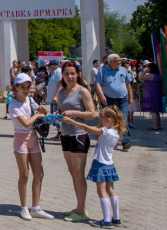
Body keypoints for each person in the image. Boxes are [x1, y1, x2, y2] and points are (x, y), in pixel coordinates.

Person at [62, 106, 127, 228]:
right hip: (110, 164)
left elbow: (87, 128)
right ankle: (116, 218)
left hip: (100, 163)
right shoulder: (116, 133)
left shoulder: (106, 131)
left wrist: (71, 121)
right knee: (110, 190)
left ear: (109, 120)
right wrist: (100, 125)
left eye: (101, 119)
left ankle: (107, 220)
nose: (100, 122)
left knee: (101, 191)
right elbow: (98, 135)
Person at [9, 73, 53, 221]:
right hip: (21, 139)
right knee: (24, 174)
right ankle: (23, 207)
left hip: (33, 138)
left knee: (39, 173)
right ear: (16, 87)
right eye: (23, 87)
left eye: (28, 87)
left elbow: (40, 108)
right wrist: (38, 116)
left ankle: (36, 207)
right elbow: (26, 123)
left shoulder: (30, 100)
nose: (26, 90)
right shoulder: (13, 105)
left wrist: (47, 113)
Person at [57, 61, 97, 222]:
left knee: (79, 174)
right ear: (62, 75)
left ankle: (81, 212)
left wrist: (73, 112)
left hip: (79, 135)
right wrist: (56, 116)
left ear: (78, 74)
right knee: (73, 172)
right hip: (65, 135)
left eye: (72, 73)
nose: (70, 76)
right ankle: (80, 207)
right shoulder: (62, 92)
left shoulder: (83, 91)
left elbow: (92, 114)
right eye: (66, 73)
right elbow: (61, 110)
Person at [95, 54, 134, 150]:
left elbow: (128, 83)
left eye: (120, 60)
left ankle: (126, 141)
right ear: (110, 62)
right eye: (117, 61)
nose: (119, 62)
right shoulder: (103, 71)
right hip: (108, 99)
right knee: (110, 120)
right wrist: (101, 96)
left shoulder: (123, 70)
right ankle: (113, 140)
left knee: (123, 118)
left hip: (122, 98)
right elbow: (98, 84)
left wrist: (131, 96)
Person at [138, 62, 163, 130]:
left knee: (153, 110)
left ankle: (155, 126)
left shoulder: (151, 75)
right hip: (158, 93)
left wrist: (145, 71)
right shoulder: (159, 76)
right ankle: (158, 125)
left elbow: (140, 77)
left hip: (151, 94)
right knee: (156, 110)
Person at [46, 60, 62, 140]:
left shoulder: (58, 72)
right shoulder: (54, 73)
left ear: (52, 67)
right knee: (55, 117)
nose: (49, 69)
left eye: (49, 67)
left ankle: (61, 133)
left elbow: (60, 85)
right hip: (52, 99)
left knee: (57, 117)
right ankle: (59, 133)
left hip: (56, 99)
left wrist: (56, 96)